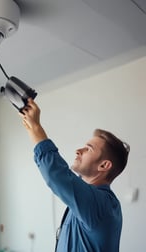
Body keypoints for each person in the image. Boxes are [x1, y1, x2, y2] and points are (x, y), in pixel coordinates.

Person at [19, 98, 130, 252]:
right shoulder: (89, 201)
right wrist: (32, 127)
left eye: (88, 149)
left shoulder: (101, 204)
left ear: (104, 165)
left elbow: (57, 174)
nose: (78, 150)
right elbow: (63, 178)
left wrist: (36, 127)